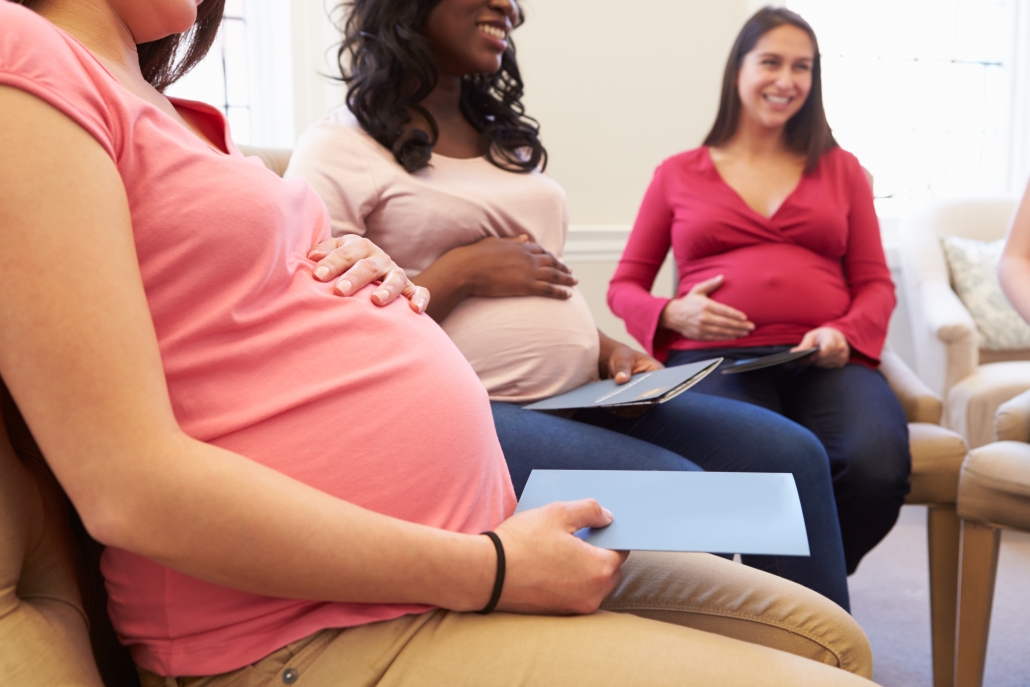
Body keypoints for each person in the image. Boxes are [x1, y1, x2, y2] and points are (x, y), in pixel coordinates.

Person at [0, 1, 876, 686]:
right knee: (704, 515)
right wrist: (493, 569)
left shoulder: (168, 108)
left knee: (833, 636)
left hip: (469, 522)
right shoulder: (29, 55)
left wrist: (349, 271)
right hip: (316, 623)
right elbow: (128, 484)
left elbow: (227, 307)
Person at [286, 0, 851, 608]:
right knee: (683, 497)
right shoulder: (339, 145)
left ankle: (816, 664)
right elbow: (323, 326)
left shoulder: (502, 143)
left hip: (581, 392)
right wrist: (459, 274)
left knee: (792, 455)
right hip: (466, 407)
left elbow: (543, 281)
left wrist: (607, 349)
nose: (509, 6)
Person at [607, 7, 911, 575]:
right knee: (760, 463)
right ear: (738, 71)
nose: (787, 80)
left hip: (823, 360)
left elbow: (874, 283)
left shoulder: (843, 170)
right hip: (713, 361)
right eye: (771, 62)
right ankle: (789, 615)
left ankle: (803, 596)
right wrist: (672, 311)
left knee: (876, 463)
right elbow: (625, 286)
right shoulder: (679, 172)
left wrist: (844, 334)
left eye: (803, 67)